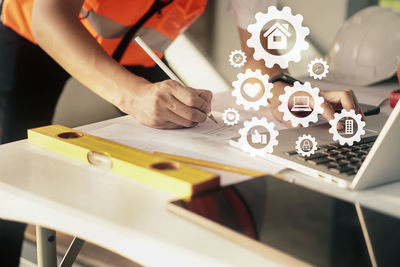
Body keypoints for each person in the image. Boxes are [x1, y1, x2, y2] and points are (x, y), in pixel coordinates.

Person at [0, 0, 364, 265]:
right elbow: (47, 17)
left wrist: (282, 88)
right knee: (7, 176)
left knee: (185, 146)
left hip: (138, 54)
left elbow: (262, 55)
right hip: (30, 32)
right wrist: (131, 95)